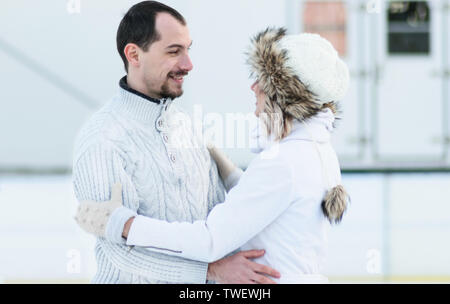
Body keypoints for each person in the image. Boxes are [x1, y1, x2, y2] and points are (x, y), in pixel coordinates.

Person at [76, 27, 351, 283]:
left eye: (263, 82)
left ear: (286, 97)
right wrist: (226, 169)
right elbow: (269, 204)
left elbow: (209, 240)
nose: (253, 88)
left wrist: (125, 224)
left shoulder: (283, 163)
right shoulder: (316, 151)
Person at [72, 0, 280, 284]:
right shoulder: (103, 138)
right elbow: (119, 251)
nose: (188, 64)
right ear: (134, 54)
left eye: (188, 50)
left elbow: (219, 220)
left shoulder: (189, 126)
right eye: (174, 52)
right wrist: (210, 271)